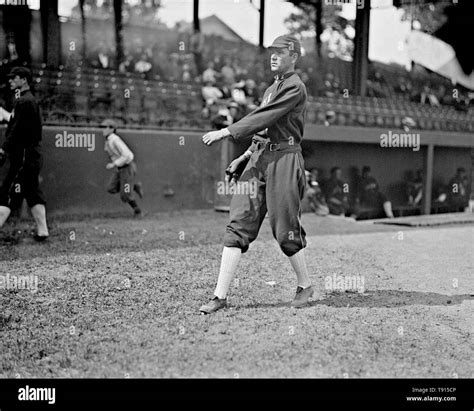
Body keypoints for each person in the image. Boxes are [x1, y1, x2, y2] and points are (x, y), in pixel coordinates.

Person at [200, 35, 314, 313]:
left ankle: (304, 284)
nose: (273, 56)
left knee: (284, 227)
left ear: (294, 56)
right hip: (260, 156)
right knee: (239, 220)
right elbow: (263, 130)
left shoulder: (295, 87)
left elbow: (263, 118)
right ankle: (220, 296)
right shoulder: (270, 89)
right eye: (271, 52)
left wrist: (227, 131)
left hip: (285, 158)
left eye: (280, 52)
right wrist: (244, 155)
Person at [0, 67, 49, 241]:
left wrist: (4, 148)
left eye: (15, 78)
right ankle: (43, 232)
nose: (11, 81)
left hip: (23, 156)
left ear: (24, 80)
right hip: (31, 155)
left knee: (6, 193)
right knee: (32, 191)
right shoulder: (26, 100)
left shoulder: (24, 101)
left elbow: (17, 130)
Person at [101, 119, 143, 217]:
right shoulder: (108, 140)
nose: (102, 130)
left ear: (112, 129)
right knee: (111, 188)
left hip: (127, 167)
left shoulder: (114, 139)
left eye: (105, 127)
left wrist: (114, 164)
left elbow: (127, 155)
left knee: (126, 193)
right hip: (120, 168)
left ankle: (138, 211)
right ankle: (134, 187)